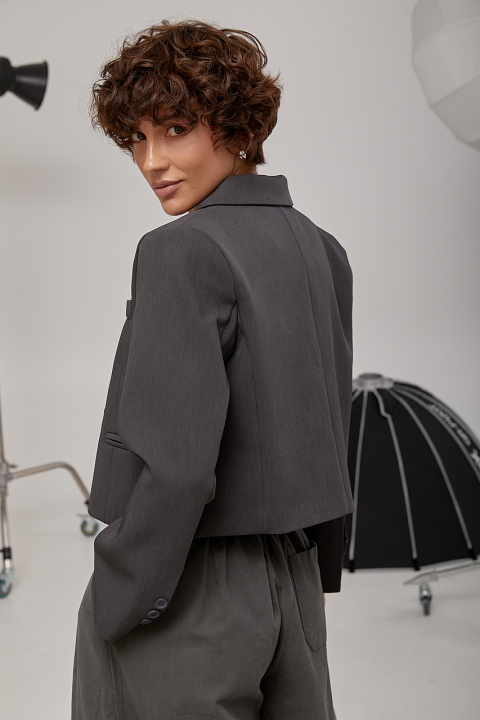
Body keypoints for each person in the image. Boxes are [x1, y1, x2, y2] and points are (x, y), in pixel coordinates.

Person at [71, 18, 355, 720]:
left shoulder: (180, 250)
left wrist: (122, 586)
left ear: (237, 124)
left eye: (175, 130)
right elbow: (331, 420)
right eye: (136, 138)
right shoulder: (322, 248)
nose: (151, 161)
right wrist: (320, 572)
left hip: (190, 587)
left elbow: (178, 467)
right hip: (294, 583)